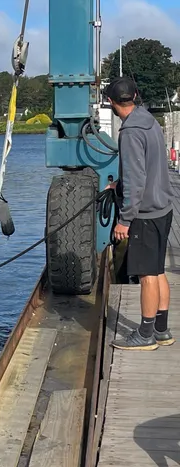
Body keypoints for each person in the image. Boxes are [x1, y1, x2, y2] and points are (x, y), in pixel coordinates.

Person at [106, 77, 174, 351]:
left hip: (145, 213)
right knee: (157, 271)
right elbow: (148, 166)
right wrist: (119, 185)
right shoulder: (149, 121)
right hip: (164, 208)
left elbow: (136, 179)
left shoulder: (130, 132)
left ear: (111, 102)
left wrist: (124, 221)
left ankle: (145, 335)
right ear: (135, 96)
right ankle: (161, 329)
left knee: (146, 275)